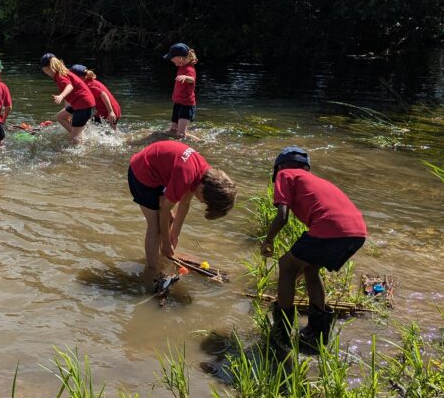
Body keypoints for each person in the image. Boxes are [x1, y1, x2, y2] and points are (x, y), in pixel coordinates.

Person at [262, 146, 367, 352]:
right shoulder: (316, 180)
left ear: (279, 167)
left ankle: (281, 333)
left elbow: (282, 216)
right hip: (357, 231)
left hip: (331, 227)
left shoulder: (285, 174)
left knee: (286, 265)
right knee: (310, 269)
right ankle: (316, 333)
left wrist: (268, 240)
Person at [127, 140, 236, 272]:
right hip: (142, 173)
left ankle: (163, 255)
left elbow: (184, 203)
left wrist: (174, 236)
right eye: (204, 201)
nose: (201, 202)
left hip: (158, 170)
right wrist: (167, 242)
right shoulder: (185, 177)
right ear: (202, 189)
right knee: (155, 227)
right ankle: (151, 271)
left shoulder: (204, 173)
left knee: (170, 220)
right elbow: (164, 210)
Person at [40, 53, 96, 143]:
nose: (45, 73)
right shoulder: (63, 72)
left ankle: (80, 141)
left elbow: (69, 87)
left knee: (73, 140)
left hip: (82, 104)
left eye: (44, 70)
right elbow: (69, 95)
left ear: (48, 68)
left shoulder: (60, 76)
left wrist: (61, 96)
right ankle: (80, 136)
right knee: (60, 117)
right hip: (82, 102)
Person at [163, 42, 198, 137]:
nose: (171, 60)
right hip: (178, 103)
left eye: (172, 58)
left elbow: (192, 80)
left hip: (186, 105)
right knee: (172, 131)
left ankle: (200, 142)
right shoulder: (181, 66)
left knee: (181, 134)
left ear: (180, 57)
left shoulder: (189, 69)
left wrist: (186, 78)